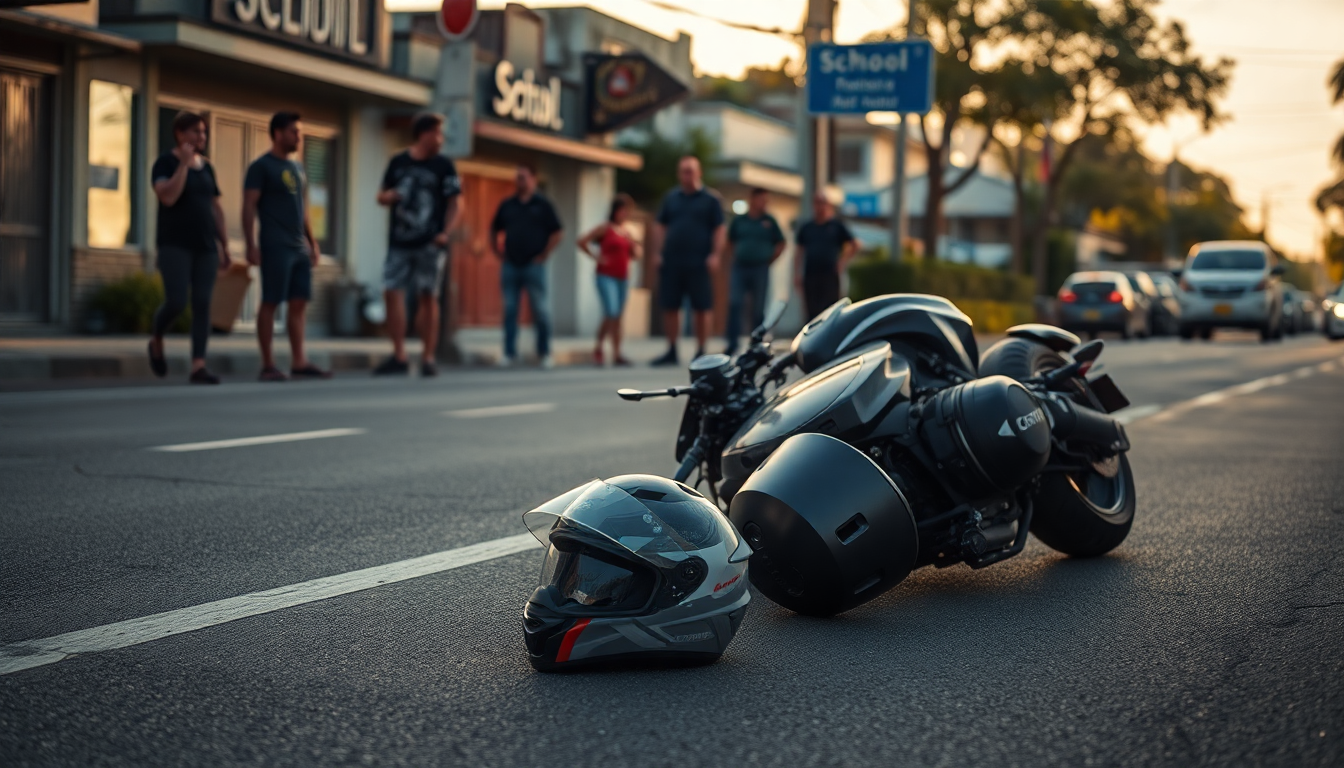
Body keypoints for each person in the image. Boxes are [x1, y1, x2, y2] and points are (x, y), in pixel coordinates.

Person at [373, 112, 463, 377]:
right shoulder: (398, 162)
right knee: (392, 292)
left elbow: (457, 203)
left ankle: (428, 357)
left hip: (430, 243)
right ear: (424, 134)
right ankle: (399, 355)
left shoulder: (444, 166)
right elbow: (380, 195)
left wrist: (445, 232)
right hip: (399, 242)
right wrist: (389, 197)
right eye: (437, 133)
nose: (441, 139)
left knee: (428, 296)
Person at [243, 111, 330, 382]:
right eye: (294, 132)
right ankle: (268, 364)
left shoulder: (298, 168)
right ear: (278, 134)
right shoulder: (261, 167)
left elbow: (303, 209)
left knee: (299, 303)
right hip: (275, 245)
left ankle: (299, 361)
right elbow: (249, 206)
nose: (299, 137)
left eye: (300, 132)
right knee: (270, 301)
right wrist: (250, 244)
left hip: (298, 247)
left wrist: (312, 242)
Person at [147, 111, 229, 385]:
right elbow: (168, 197)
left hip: (206, 246)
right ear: (180, 133)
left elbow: (215, 208)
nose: (201, 136)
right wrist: (183, 165)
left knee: (203, 303)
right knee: (177, 301)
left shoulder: (207, 168)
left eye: (204, 132)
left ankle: (198, 366)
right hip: (175, 244)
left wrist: (224, 245)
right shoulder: (165, 162)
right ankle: (157, 338)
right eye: (196, 131)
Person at [650, 156, 725, 366]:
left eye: (690, 171)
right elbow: (660, 225)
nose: (687, 175)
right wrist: (657, 252)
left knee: (701, 307)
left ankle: (701, 350)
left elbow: (719, 228)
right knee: (670, 306)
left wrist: (715, 254)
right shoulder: (671, 198)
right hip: (673, 261)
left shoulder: (711, 199)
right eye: (684, 171)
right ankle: (671, 350)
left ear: (699, 173)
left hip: (699, 261)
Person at [490, 162, 563, 368]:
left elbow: (558, 232)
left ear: (533, 179)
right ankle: (509, 353)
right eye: (517, 177)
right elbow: (494, 228)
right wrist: (497, 251)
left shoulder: (543, 205)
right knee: (510, 309)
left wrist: (544, 254)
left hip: (534, 265)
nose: (519, 181)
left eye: (523, 177)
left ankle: (544, 352)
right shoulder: (508, 204)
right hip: (511, 264)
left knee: (540, 309)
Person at [577, 193, 641, 366]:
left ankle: (617, 353)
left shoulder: (627, 232)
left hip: (623, 277)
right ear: (615, 211)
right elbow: (582, 241)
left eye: (627, 211)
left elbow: (635, 255)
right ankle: (598, 347)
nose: (625, 214)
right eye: (622, 210)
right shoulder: (605, 228)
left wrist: (635, 247)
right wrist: (596, 257)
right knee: (611, 311)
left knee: (618, 316)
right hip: (606, 276)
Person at [724, 187, 785, 355]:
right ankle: (732, 343)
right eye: (762, 200)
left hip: (760, 267)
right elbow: (730, 241)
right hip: (740, 267)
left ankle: (756, 344)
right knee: (735, 303)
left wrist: (769, 259)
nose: (765, 203)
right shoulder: (740, 220)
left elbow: (781, 243)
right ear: (752, 199)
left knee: (758, 307)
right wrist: (734, 256)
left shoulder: (769, 221)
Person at [795, 192, 858, 322]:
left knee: (831, 309)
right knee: (812, 311)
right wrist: (797, 274)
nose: (820, 207)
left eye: (823, 203)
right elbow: (799, 252)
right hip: (811, 274)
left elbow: (854, 244)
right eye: (818, 203)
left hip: (830, 274)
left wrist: (842, 261)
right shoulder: (807, 228)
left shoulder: (836, 226)